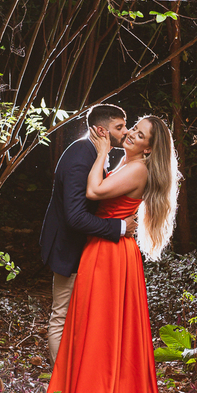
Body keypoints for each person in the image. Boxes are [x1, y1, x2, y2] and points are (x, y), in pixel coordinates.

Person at [47, 115, 179, 393]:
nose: (133, 134)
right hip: (104, 250)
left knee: (102, 329)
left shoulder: (136, 169)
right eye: (133, 128)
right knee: (94, 327)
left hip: (112, 255)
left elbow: (94, 191)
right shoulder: (127, 161)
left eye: (141, 134)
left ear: (150, 147)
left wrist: (103, 151)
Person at [39, 104, 138, 364]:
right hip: (68, 248)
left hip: (86, 249)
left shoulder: (95, 153)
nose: (125, 132)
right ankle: (60, 387)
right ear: (101, 130)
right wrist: (120, 227)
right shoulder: (80, 157)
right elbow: (75, 217)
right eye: (119, 127)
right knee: (61, 315)